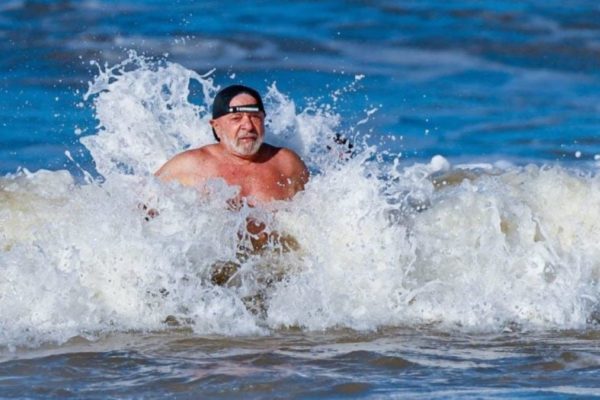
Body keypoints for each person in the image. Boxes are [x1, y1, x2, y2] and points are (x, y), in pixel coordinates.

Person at [155, 84, 309, 205]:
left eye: (255, 117)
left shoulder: (286, 163)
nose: (248, 126)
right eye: (236, 118)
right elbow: (140, 207)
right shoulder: (190, 165)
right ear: (216, 126)